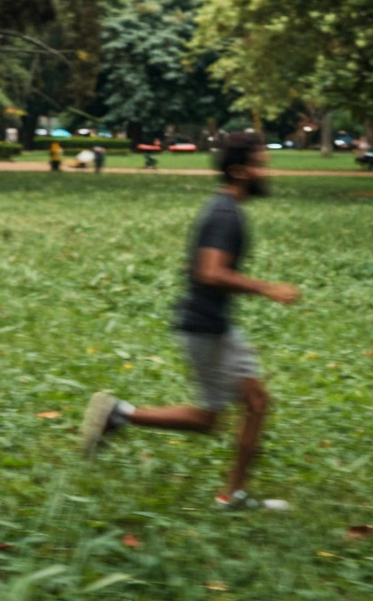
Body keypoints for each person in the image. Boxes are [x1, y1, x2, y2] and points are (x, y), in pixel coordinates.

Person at [81, 132, 302, 511]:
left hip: (214, 325)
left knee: (247, 406)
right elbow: (209, 272)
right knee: (223, 414)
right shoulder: (224, 214)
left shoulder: (224, 209)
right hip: (206, 327)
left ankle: (231, 491)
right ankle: (123, 415)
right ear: (239, 171)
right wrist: (267, 288)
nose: (267, 172)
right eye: (260, 165)